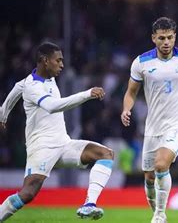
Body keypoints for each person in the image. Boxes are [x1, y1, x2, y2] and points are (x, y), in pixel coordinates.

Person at [0, 42, 114, 221]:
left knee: (105, 154)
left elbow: (16, 87)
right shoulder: (33, 87)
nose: (62, 64)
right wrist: (87, 94)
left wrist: (3, 113)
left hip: (63, 143)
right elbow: (52, 106)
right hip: (42, 147)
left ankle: (89, 205)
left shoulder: (45, 78)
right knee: (28, 193)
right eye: (58, 60)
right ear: (45, 61)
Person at [121, 17, 178, 223]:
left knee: (161, 165)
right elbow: (130, 92)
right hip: (153, 126)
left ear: (175, 38)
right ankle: (157, 212)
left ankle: (160, 214)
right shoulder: (141, 62)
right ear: (153, 38)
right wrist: (126, 109)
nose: (166, 42)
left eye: (170, 37)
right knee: (149, 177)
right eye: (161, 38)